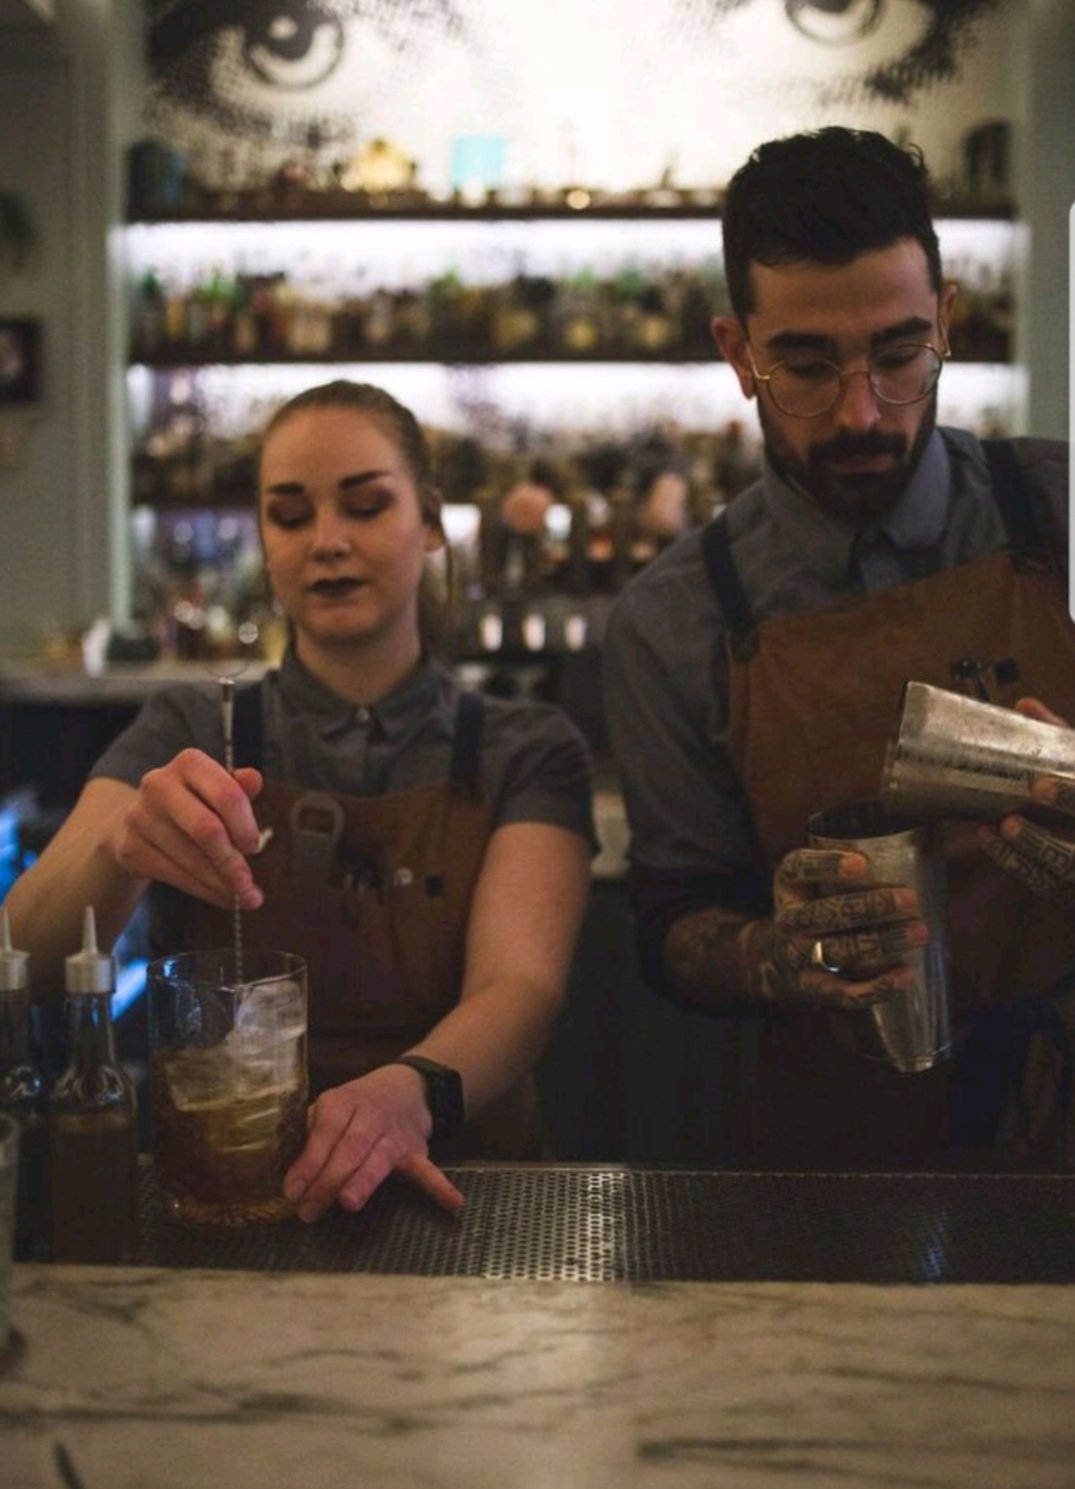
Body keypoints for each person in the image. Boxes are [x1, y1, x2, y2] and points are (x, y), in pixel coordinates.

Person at [603, 127, 1075, 1173]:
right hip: (836, 1153)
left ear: (947, 324)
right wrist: (770, 958)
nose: (862, 410)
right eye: (807, 365)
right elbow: (671, 921)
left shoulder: (1058, 513)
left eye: (899, 354)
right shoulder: (674, 621)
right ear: (739, 356)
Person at [7, 379, 594, 1217]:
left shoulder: (526, 749)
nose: (326, 541)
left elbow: (520, 986)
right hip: (231, 1187)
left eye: (363, 505)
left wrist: (406, 1093)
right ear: (264, 540)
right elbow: (21, 957)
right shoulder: (187, 725)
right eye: (290, 515)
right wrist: (117, 846)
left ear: (428, 522)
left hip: (466, 1189)